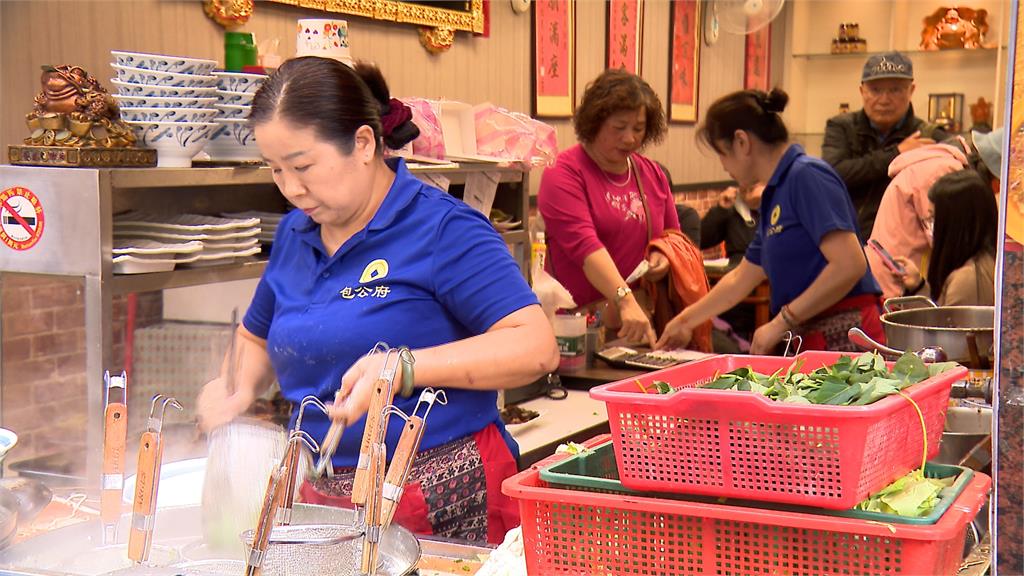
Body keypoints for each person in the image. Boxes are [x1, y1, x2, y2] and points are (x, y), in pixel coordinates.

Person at [195, 57, 559, 544]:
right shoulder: (295, 234)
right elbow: (254, 336)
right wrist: (235, 387)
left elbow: (534, 347)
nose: (291, 188)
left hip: (440, 495)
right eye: (276, 169)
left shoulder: (442, 229)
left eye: (303, 166)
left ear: (363, 143)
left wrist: (401, 368)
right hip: (320, 497)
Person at [657, 88, 885, 354]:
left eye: (721, 153)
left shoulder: (806, 175)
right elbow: (744, 277)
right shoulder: (776, 190)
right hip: (806, 334)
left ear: (742, 142)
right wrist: (685, 321)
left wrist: (782, 322)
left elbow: (850, 265)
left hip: (845, 332)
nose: (722, 165)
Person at [538, 69, 689, 349]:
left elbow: (672, 237)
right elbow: (585, 247)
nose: (630, 138)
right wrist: (624, 298)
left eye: (639, 129)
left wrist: (663, 257)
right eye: (619, 128)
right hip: (580, 332)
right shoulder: (564, 172)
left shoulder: (652, 174)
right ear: (595, 122)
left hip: (640, 324)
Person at [822, 52, 948, 240]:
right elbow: (834, 173)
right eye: (875, 90)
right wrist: (897, 153)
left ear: (911, 90)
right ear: (862, 91)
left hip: (907, 247)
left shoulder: (929, 135)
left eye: (895, 90)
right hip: (848, 240)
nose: (884, 100)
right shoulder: (840, 126)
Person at [865, 141, 968, 301]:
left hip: (887, 268)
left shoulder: (926, 165)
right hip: (899, 276)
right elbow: (940, 233)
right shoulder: (942, 169)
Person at [892, 170, 998, 306]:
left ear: (956, 223)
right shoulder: (986, 262)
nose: (931, 227)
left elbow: (941, 326)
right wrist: (918, 286)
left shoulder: (967, 279)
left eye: (933, 218)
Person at [700, 182, 764, 267]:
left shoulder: (779, 206)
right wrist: (721, 210)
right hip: (737, 268)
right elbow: (701, 241)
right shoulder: (733, 208)